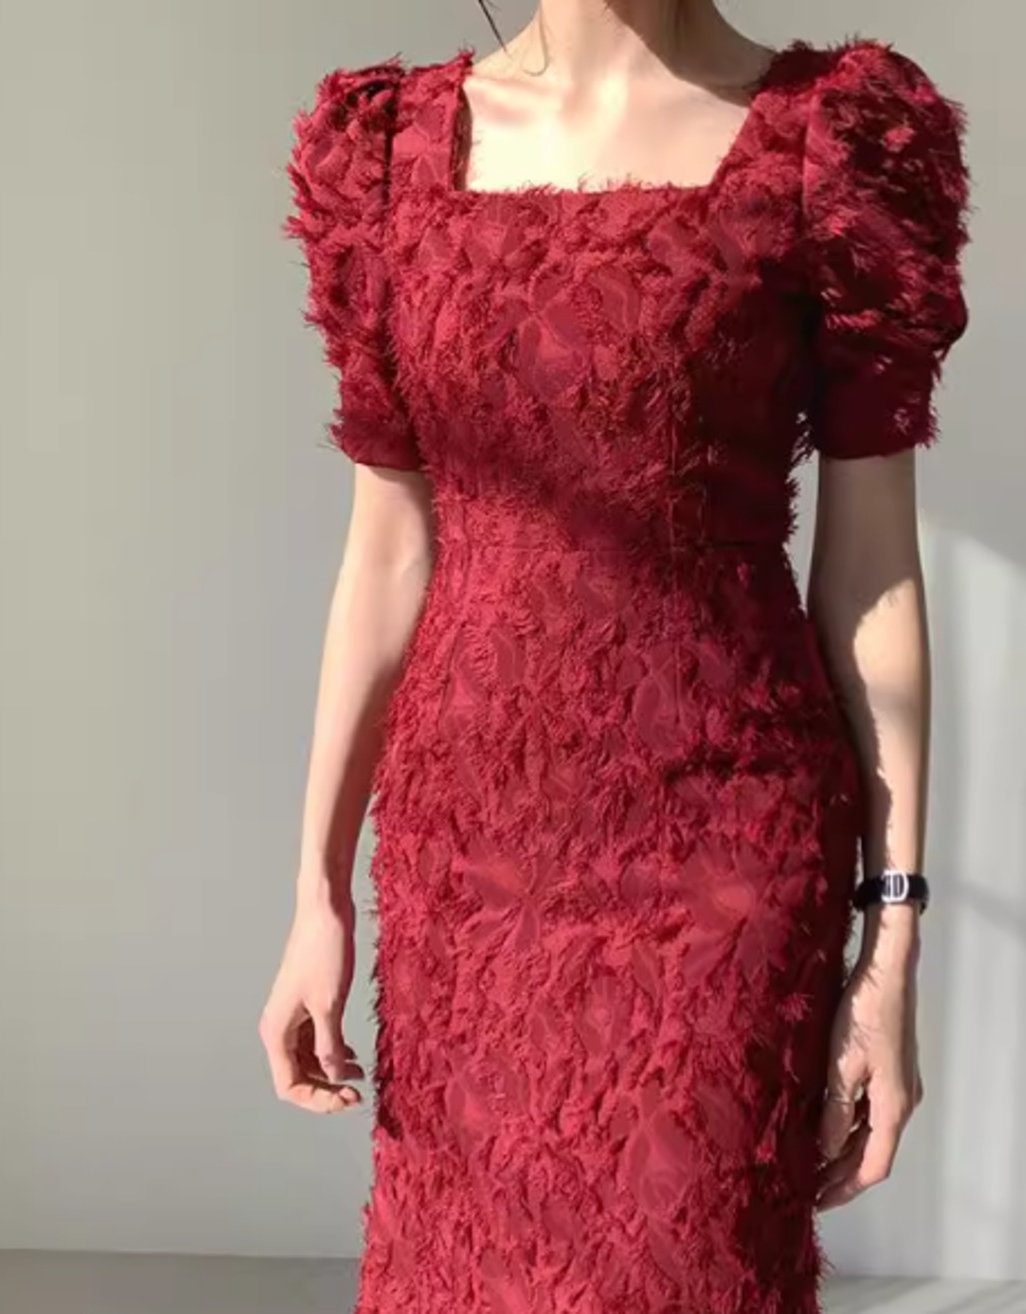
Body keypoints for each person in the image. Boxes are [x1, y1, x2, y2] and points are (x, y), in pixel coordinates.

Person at [261, 0, 970, 1308]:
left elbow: (872, 569)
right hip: (466, 861)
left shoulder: (832, 143)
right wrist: (318, 889)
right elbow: (387, 555)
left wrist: (895, 929)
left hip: (726, 854)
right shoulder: (391, 151)